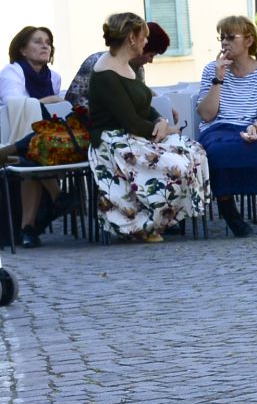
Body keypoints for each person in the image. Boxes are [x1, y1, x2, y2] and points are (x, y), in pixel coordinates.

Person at [84, 13, 209, 241]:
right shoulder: (106, 73)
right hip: (115, 141)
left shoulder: (127, 66)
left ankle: (162, 218)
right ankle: (147, 223)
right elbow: (129, 120)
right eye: (144, 36)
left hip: (135, 134)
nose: (146, 41)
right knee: (176, 164)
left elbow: (143, 104)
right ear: (132, 38)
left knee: (195, 152)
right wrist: (164, 130)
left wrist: (160, 120)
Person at [194, 15, 257, 237]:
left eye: (231, 37)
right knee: (217, 151)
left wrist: (255, 128)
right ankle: (231, 215)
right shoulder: (211, 70)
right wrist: (218, 79)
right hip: (219, 128)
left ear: (248, 41)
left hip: (255, 126)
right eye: (222, 38)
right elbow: (206, 115)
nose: (225, 43)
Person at [3, 26, 67, 246]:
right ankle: (57, 196)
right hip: (14, 133)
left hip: (43, 142)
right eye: (37, 41)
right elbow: (13, 104)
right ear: (22, 49)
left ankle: (28, 229)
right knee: (35, 151)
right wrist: (47, 100)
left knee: (34, 154)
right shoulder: (12, 72)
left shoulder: (54, 78)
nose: (45, 46)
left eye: (48, 42)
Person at [66, 21, 168, 119]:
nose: (150, 61)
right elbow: (73, 97)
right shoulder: (96, 62)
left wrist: (161, 111)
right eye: (151, 55)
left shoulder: (138, 70)